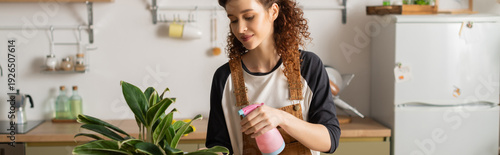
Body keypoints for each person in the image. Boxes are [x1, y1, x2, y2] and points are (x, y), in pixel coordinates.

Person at [206, 0, 340, 154]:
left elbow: (330, 140)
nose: (240, 28)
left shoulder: (307, 66)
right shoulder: (224, 77)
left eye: (249, 17)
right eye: (233, 20)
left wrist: (281, 118)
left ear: (273, 12)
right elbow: (219, 147)